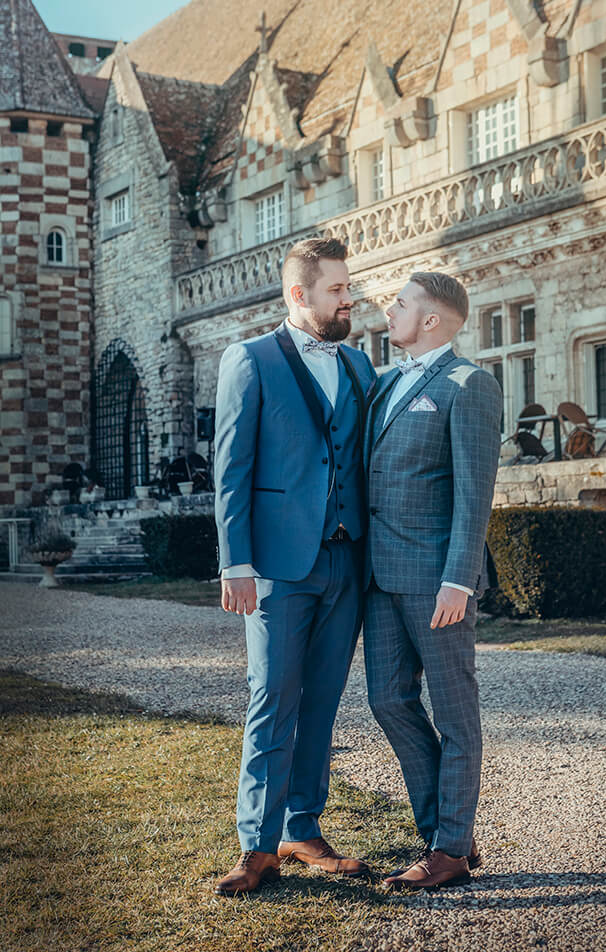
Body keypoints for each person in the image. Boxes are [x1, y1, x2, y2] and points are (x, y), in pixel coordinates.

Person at [213, 237, 376, 896]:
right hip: (278, 568)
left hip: (346, 559)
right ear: (298, 294)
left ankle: (302, 828)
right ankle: (256, 844)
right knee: (271, 699)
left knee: (323, 703)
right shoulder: (248, 360)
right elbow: (231, 469)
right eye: (337, 289)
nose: (349, 299)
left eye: (347, 288)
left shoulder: (362, 367)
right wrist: (236, 562)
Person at [363, 270, 502, 891]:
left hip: (435, 580)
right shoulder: (385, 382)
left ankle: (446, 851)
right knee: (387, 701)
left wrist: (459, 580)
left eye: (400, 304)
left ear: (431, 320)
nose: (388, 312)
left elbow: (475, 493)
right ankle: (449, 831)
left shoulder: (469, 385)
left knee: (454, 712)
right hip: (379, 577)